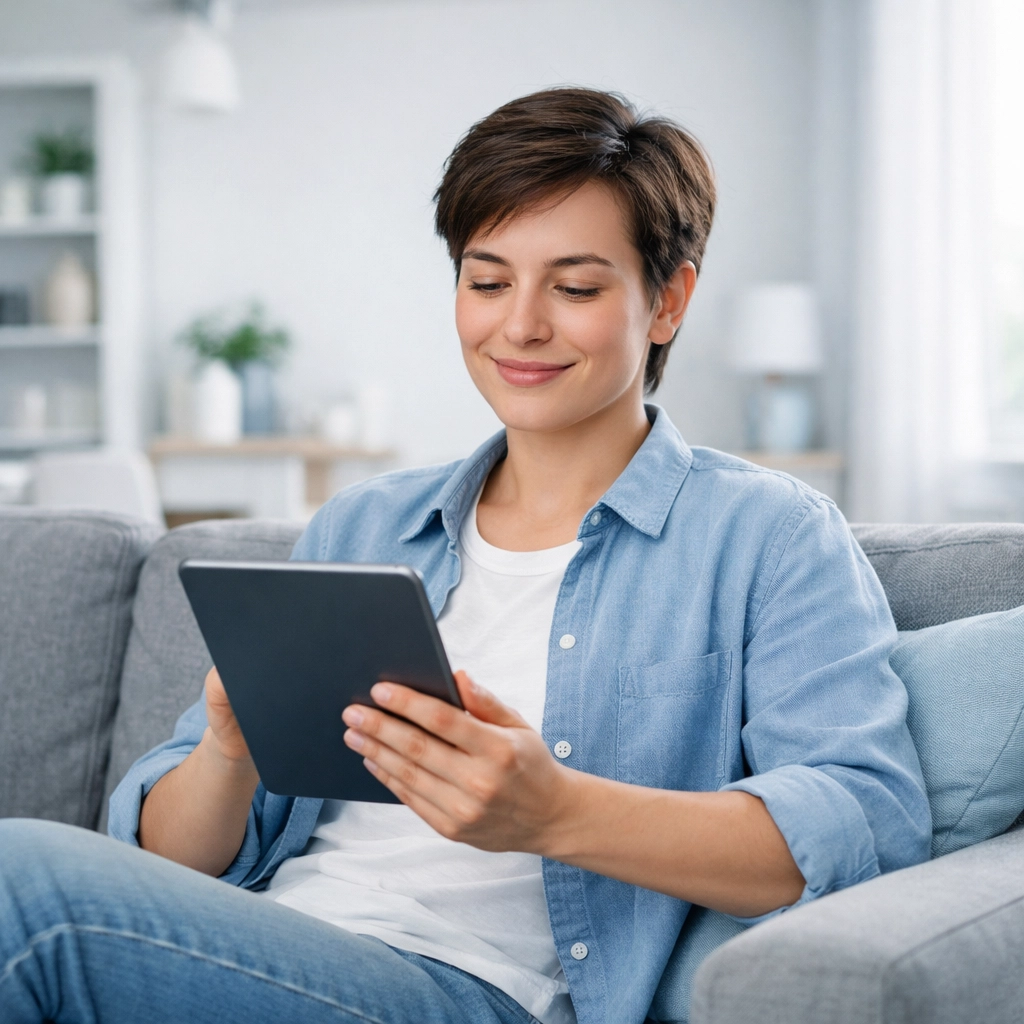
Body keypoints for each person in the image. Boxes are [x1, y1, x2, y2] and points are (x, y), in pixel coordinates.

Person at [0, 87, 931, 1024]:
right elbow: (161, 862)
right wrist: (231, 752)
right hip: (268, 950)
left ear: (668, 301)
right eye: (487, 282)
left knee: (19, 882)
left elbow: (863, 823)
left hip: (469, 989)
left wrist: (555, 812)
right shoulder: (363, 526)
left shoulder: (767, 537)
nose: (519, 326)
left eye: (573, 287)